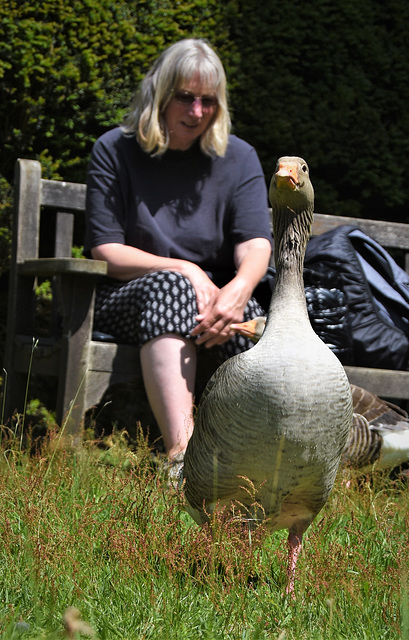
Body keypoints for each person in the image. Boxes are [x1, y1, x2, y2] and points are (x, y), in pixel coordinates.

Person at [84, 38, 272, 477]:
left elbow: (255, 243)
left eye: (209, 101)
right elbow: (105, 249)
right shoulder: (114, 150)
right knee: (173, 287)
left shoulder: (239, 158)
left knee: (267, 327)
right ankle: (183, 464)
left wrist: (238, 291)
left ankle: (255, 474)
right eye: (186, 97)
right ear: (160, 94)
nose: (198, 111)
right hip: (129, 296)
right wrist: (184, 268)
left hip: (216, 304)